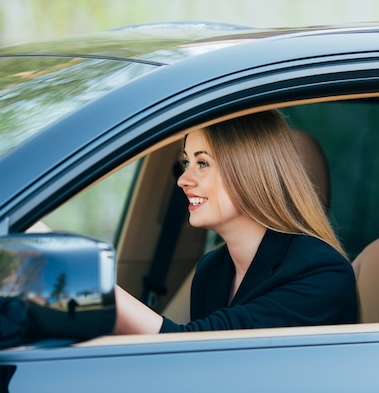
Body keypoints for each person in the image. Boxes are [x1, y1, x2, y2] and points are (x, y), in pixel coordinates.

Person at [114, 110, 358, 334]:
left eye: (202, 163)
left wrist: (102, 293)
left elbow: (198, 351)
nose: (183, 180)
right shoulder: (211, 269)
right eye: (186, 163)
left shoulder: (323, 274)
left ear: (249, 171)